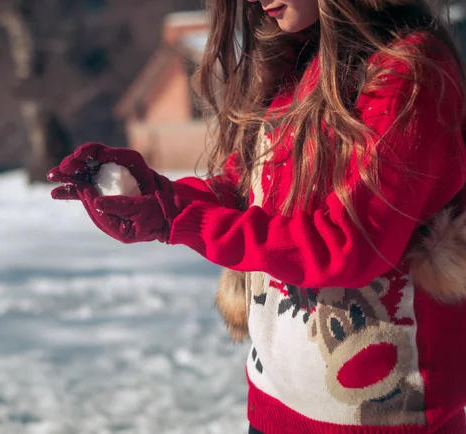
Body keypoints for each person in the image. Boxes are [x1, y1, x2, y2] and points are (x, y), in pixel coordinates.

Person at [47, 0, 466, 432]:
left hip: (381, 417)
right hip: (274, 401)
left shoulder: (407, 70)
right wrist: (154, 199)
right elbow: (247, 187)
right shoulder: (297, 59)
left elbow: (347, 243)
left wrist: (179, 221)